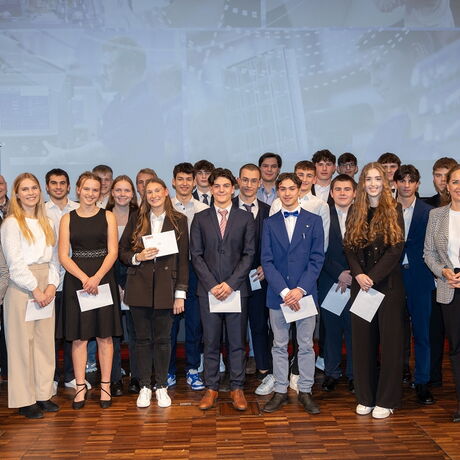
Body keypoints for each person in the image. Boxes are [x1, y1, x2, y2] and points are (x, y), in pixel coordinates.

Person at [119, 177, 189, 408]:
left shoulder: (179, 220)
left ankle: (161, 386)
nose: (154, 195)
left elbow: (183, 260)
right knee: (141, 340)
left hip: (166, 289)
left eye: (157, 191)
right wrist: (137, 257)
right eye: (149, 192)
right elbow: (122, 251)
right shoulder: (137, 218)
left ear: (166, 191)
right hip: (139, 287)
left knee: (163, 340)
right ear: (145, 195)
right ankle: (144, 386)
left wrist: (180, 294)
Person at [190, 168, 255, 411]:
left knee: (237, 342)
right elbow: (196, 255)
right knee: (211, 342)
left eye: (226, 186)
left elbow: (249, 254)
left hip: (236, 290)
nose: (221, 190)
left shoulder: (245, 218)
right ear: (211, 188)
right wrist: (212, 285)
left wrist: (230, 284)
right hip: (209, 291)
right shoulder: (200, 218)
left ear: (233, 188)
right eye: (216, 186)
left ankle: (237, 388)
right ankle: (212, 388)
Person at [344, 162, 405, 419]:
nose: (373, 184)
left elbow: (396, 249)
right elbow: (348, 246)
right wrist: (359, 274)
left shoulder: (395, 209)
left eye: (377, 179)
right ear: (362, 183)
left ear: (385, 182)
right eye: (368, 179)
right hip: (361, 287)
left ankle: (386, 400)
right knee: (362, 345)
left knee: (390, 345)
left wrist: (372, 277)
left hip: (387, 287)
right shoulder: (354, 210)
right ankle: (365, 397)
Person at [261, 173, 324, 414]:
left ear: (299, 190)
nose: (287, 193)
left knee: (305, 344)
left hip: (305, 295)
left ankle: (305, 390)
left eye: (291, 188)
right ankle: (280, 390)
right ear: (278, 191)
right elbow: (267, 261)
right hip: (278, 295)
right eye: (283, 189)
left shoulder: (314, 220)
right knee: (279, 345)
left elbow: (317, 259)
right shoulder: (269, 223)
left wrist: (299, 290)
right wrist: (286, 291)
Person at [59, 171, 122, 410]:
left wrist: (96, 278)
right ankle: (80, 387)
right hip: (77, 282)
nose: (90, 193)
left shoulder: (108, 216)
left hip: (103, 280)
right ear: (78, 189)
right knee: (79, 337)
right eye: (86, 189)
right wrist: (85, 278)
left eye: (95, 190)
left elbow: (113, 252)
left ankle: (105, 386)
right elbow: (63, 256)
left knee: (105, 336)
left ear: (100, 192)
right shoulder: (67, 218)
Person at [1, 172, 60, 418]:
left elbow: (55, 259)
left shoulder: (48, 222)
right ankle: (25, 400)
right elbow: (14, 263)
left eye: (34, 188)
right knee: (21, 344)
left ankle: (43, 394)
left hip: (46, 283)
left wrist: (51, 286)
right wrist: (35, 289)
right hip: (22, 286)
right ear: (16, 194)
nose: (31, 193)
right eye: (25, 189)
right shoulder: (11, 224)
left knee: (44, 343)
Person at [395, 165, 435, 404]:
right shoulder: (386, 210)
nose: (406, 185)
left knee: (422, 333)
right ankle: (397, 376)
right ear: (396, 183)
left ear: (418, 184)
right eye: (402, 180)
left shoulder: (429, 212)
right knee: (395, 333)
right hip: (393, 278)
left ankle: (422, 381)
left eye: (411, 180)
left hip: (420, 278)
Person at [424, 164, 460, 423]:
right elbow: (429, 253)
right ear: (447, 186)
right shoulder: (436, 215)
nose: (459, 187)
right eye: (455, 182)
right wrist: (443, 271)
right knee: (457, 349)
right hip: (449, 287)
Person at [169, 162, 208, 390]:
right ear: (173, 181)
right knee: (170, 325)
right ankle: (169, 370)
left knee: (195, 324)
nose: (184, 183)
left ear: (194, 183)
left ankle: (193, 369)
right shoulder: (164, 206)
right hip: (169, 272)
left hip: (195, 271)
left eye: (188, 179)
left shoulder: (203, 209)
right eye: (180, 179)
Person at [44, 168, 81, 393]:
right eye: (53, 183)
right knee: (49, 334)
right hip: (48, 282)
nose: (58, 187)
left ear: (68, 186)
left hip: (75, 279)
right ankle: (50, 377)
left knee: (71, 331)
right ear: (47, 186)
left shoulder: (79, 209)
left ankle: (69, 375)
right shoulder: (39, 211)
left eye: (62, 183)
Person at [318, 174, 356, 393]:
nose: (342, 193)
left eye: (347, 189)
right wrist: (338, 273)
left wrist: (352, 273)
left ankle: (354, 374)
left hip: (356, 281)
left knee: (354, 330)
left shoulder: (364, 217)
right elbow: (317, 250)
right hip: (329, 280)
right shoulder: (322, 216)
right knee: (331, 330)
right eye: (338, 189)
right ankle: (331, 373)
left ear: (354, 193)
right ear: (331, 193)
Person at [234, 164, 271, 384]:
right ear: (238, 181)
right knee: (234, 327)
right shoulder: (227, 208)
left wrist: (267, 266)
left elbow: (275, 243)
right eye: (245, 179)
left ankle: (264, 368)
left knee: (259, 324)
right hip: (233, 278)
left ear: (260, 183)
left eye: (254, 180)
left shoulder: (269, 210)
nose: (249, 184)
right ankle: (235, 371)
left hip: (260, 276)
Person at [106, 175, 139, 396]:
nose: (122, 194)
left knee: (137, 333)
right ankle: (115, 379)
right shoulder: (103, 215)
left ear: (133, 194)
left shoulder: (140, 216)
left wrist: (127, 283)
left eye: (127, 190)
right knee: (113, 334)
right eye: (118, 190)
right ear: (112, 193)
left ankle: (137, 377)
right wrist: (115, 283)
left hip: (135, 281)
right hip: (109, 282)